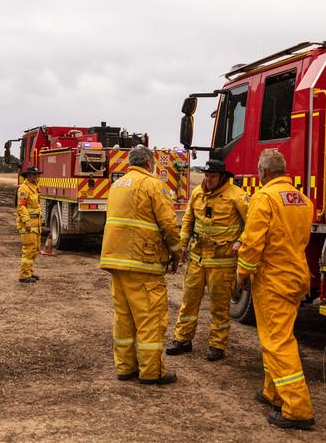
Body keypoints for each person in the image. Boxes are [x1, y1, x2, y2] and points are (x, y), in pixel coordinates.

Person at [237, 149, 315, 430]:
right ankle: (273, 391)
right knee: (278, 335)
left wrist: (242, 272)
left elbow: (253, 241)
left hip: (273, 280)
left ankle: (297, 408)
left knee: (277, 342)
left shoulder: (264, 198)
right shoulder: (303, 199)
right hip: (295, 276)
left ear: (264, 172)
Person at [100, 146, 182, 385]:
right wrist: (176, 252)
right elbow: (168, 223)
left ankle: (125, 368)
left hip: (116, 260)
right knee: (149, 319)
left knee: (123, 319)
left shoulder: (117, 185)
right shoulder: (153, 185)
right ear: (149, 163)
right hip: (142, 262)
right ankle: (151, 372)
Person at [166, 160, 249, 361]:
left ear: (222, 177)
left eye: (212, 176)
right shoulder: (197, 193)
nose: (208, 179)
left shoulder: (237, 195)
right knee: (188, 302)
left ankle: (217, 345)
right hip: (197, 260)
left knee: (220, 306)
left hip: (222, 262)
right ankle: (182, 340)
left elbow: (253, 223)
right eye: (206, 175)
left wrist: (241, 241)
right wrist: (183, 244)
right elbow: (187, 220)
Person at [15, 167, 42, 283]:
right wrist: (26, 221)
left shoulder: (35, 187)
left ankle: (29, 271)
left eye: (37, 174)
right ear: (28, 176)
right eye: (33, 174)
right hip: (28, 225)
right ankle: (24, 274)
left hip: (36, 224)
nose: (36, 176)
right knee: (29, 249)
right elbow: (21, 207)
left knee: (35, 249)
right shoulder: (24, 189)